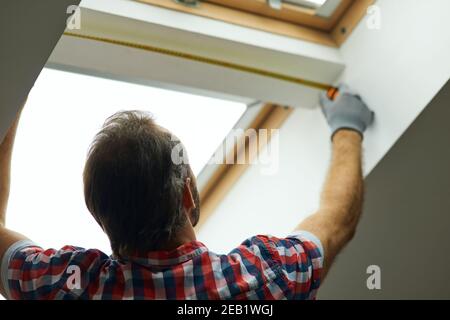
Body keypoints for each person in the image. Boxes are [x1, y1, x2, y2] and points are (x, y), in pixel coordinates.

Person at [0, 84, 374, 300]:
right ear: (187, 196)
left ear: (103, 220)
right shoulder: (260, 278)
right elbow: (336, 221)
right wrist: (347, 127)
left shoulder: (69, 286)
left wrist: (17, 84)